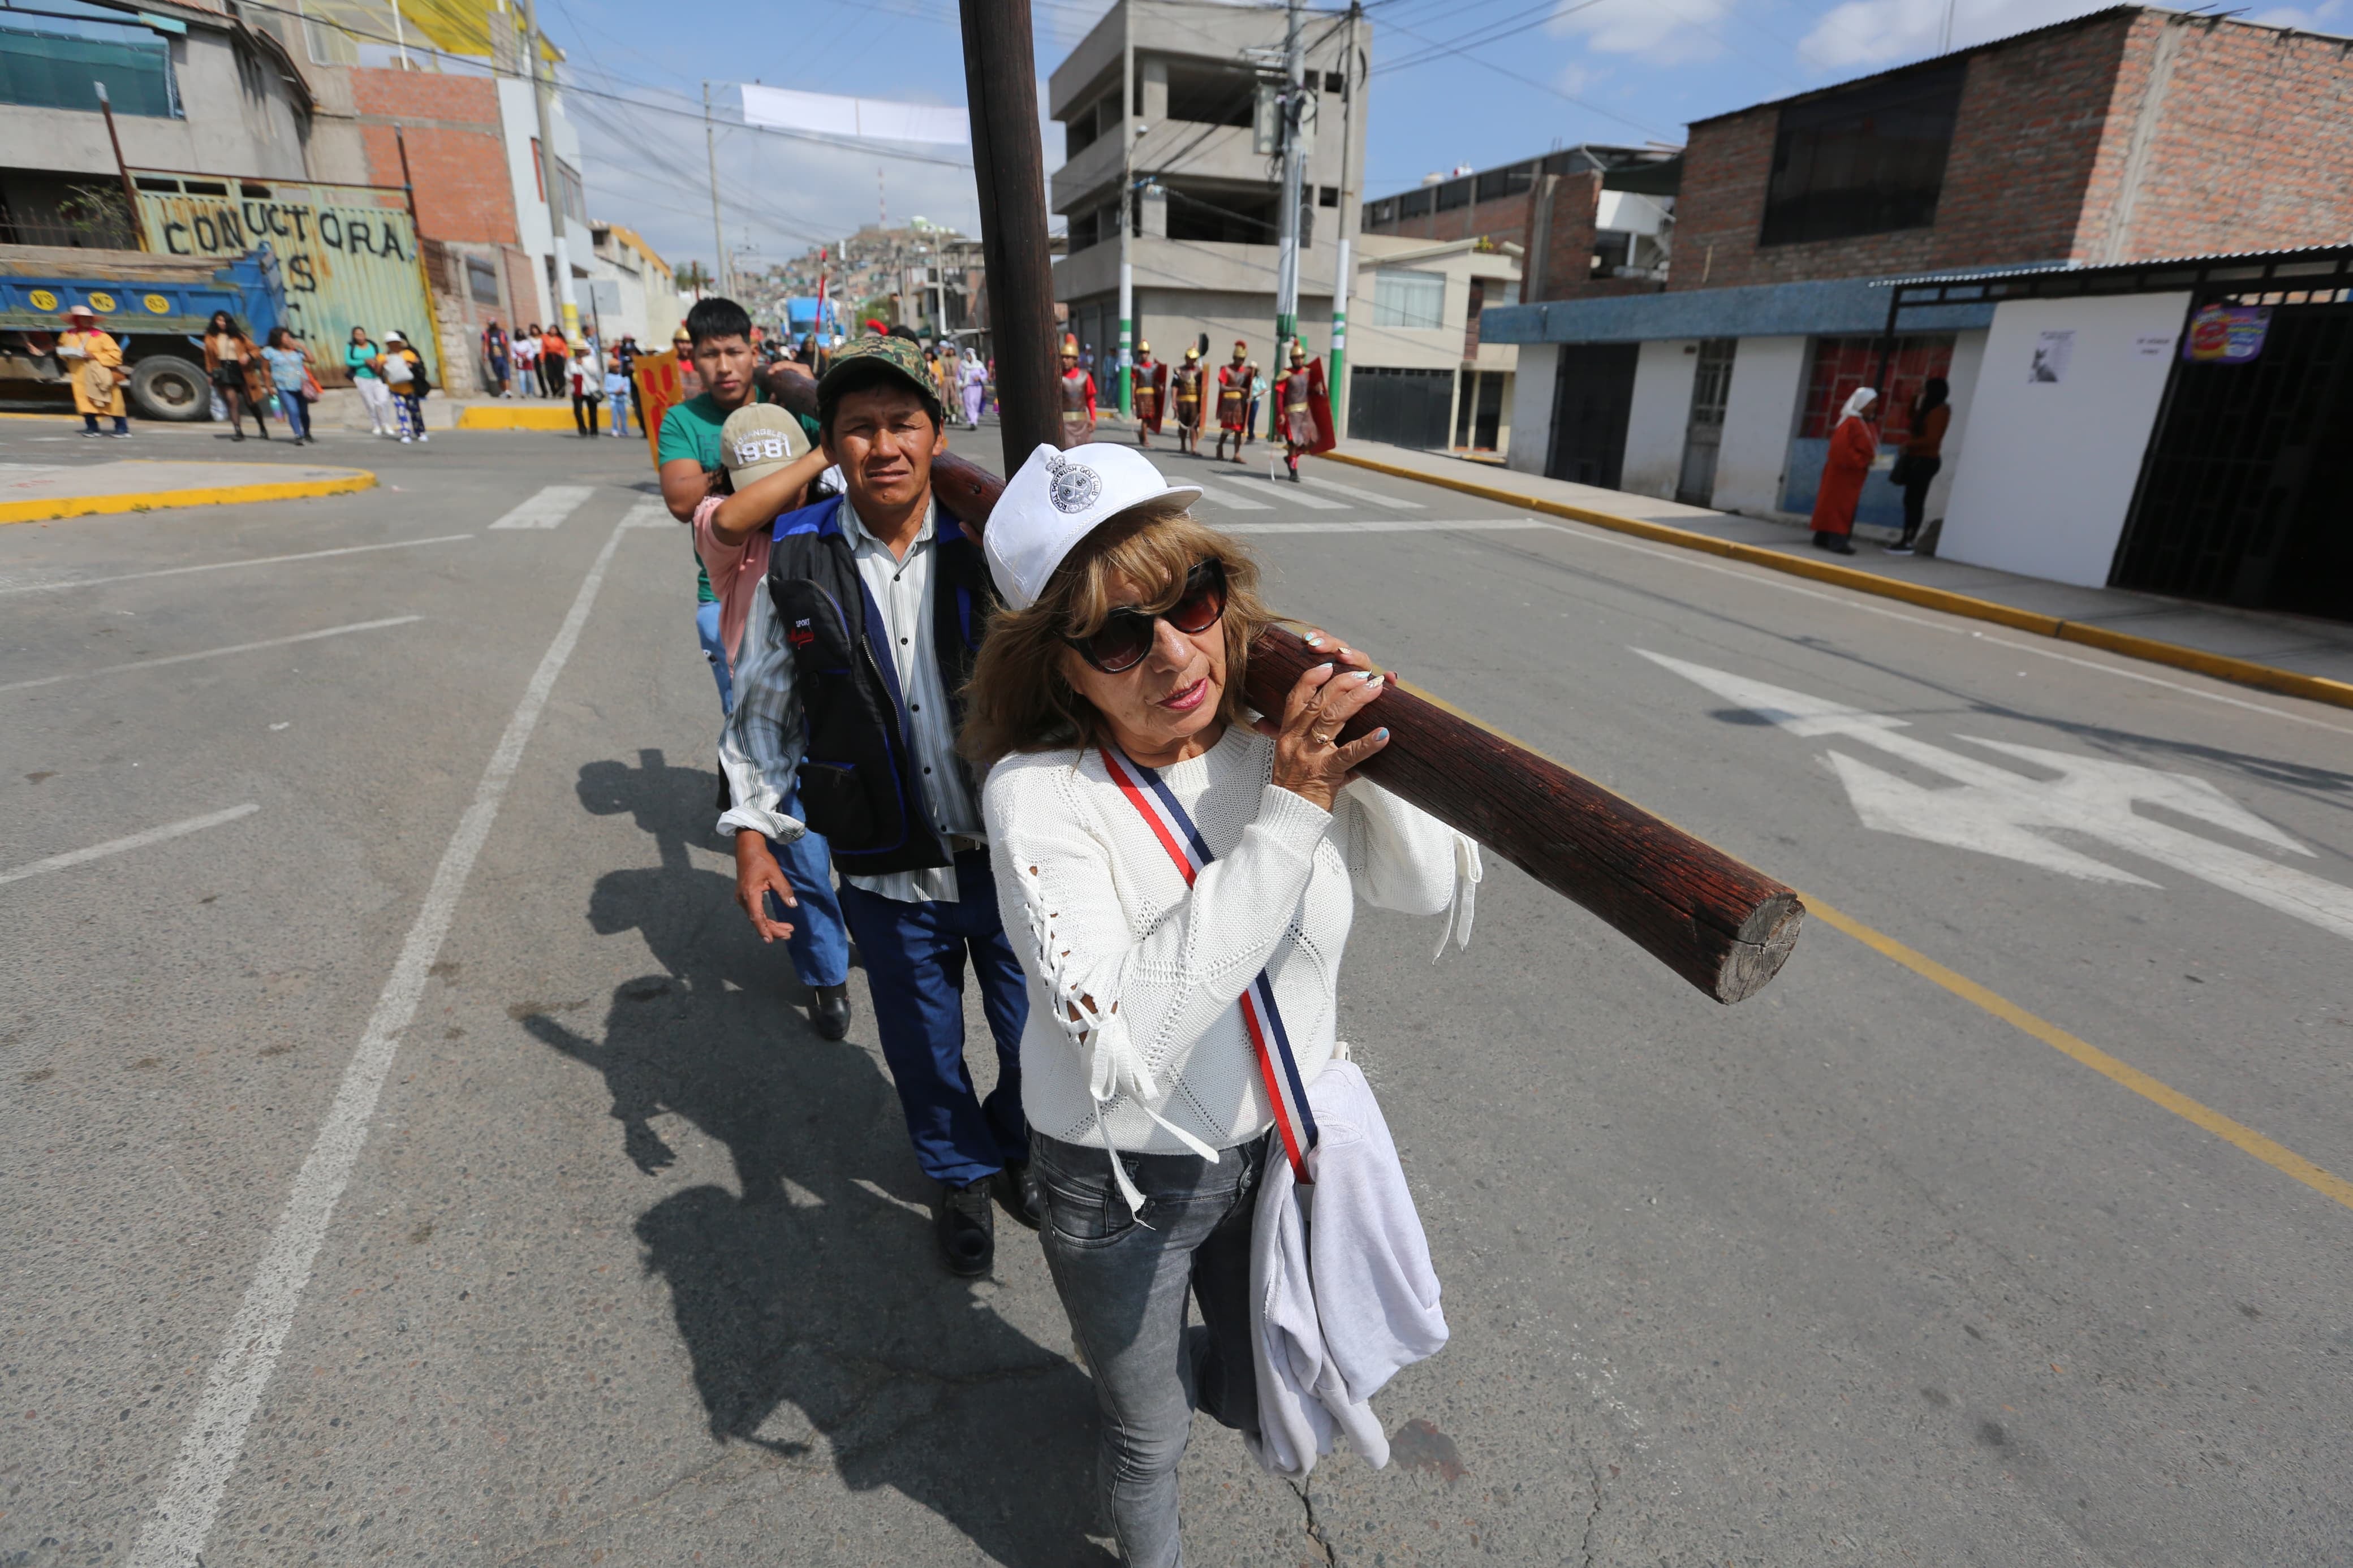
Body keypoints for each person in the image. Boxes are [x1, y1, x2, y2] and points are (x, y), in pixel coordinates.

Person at [964, 441, 1476, 1567]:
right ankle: (1134, 1418)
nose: (1171, 653)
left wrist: (1377, 739)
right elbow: (1131, 1041)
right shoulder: (1039, 796)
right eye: (1115, 635)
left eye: (1188, 599)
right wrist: (1291, 815)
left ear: (1223, 593)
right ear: (1061, 668)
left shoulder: (1270, 744)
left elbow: (1425, 888)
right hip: (1117, 1180)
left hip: (1266, 1153)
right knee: (1148, 1438)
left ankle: (1138, 1370)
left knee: (1257, 1387)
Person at [719, 334, 1033, 1277]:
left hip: (1013, 860)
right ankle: (960, 1172)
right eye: (860, 427)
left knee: (1039, 1034)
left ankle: (1020, 1144)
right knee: (923, 1045)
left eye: (903, 422)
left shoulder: (995, 541)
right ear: (832, 444)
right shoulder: (797, 557)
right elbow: (764, 705)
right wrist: (753, 833)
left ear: (937, 432)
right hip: (886, 870)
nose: (884, 446)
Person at [1810, 386, 1877, 555]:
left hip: (1852, 473)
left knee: (1836, 504)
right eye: (1871, 402)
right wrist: (1862, 461)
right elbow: (1840, 449)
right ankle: (1837, 540)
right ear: (1861, 403)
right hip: (1843, 473)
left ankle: (1823, 537)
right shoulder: (1851, 423)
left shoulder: (1863, 423)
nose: (1874, 406)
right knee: (1840, 506)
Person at [1888, 376, 1950, 556]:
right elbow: (1911, 417)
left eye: (1926, 389)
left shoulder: (1940, 412)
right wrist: (1915, 397)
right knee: (1910, 500)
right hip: (1916, 460)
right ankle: (1906, 538)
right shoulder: (1928, 409)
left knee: (1916, 501)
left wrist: (1909, 444)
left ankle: (1909, 540)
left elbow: (1932, 439)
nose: (1924, 392)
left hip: (1925, 461)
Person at [57, 305, 129, 438]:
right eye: (83, 318)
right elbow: (61, 350)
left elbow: (116, 355)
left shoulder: (102, 336)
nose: (88, 321)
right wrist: (66, 354)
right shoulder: (67, 335)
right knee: (85, 401)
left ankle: (122, 428)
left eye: (89, 318)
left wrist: (95, 356)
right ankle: (92, 428)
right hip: (79, 374)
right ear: (76, 320)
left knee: (113, 401)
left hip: (100, 374)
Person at [204, 311, 269, 441]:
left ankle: (263, 428)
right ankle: (238, 432)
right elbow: (208, 358)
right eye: (219, 320)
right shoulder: (210, 337)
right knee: (232, 401)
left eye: (224, 320)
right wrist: (210, 374)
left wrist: (248, 356)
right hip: (223, 370)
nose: (222, 323)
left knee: (250, 401)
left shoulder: (239, 336)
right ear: (215, 321)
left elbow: (256, 350)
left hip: (242, 370)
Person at [261, 327, 317, 446]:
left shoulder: (296, 352)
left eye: (289, 337)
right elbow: (265, 370)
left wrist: (302, 347)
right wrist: (268, 386)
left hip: (301, 386)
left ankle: (307, 433)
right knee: (293, 411)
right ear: (278, 338)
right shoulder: (269, 352)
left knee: (304, 412)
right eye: (286, 337)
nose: (289, 339)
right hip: (283, 386)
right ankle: (298, 435)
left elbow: (312, 360)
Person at [381, 330, 429, 443]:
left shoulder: (409, 354)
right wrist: (381, 366)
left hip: (410, 389)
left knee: (415, 411)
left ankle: (420, 432)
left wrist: (412, 365)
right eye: (390, 343)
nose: (393, 345)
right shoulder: (384, 357)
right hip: (395, 390)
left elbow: (419, 368)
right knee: (401, 410)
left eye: (395, 342)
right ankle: (405, 433)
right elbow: (380, 373)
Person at [1277, 343, 1315, 481]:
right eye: (1296, 358)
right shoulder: (1286, 375)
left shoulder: (1308, 373)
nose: (1299, 360)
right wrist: (1281, 413)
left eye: (1301, 358)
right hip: (1291, 414)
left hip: (1305, 414)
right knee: (1293, 443)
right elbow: (1280, 396)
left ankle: (1290, 458)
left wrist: (1318, 390)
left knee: (1309, 442)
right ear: (1292, 359)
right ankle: (1294, 472)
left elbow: (1311, 391)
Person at [347, 327, 395, 436]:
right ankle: (376, 425)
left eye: (361, 334)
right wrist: (364, 362)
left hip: (377, 377)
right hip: (362, 378)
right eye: (357, 334)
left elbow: (381, 356)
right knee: (370, 403)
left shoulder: (373, 345)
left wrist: (378, 362)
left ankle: (386, 424)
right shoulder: (351, 347)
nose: (360, 337)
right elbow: (349, 361)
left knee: (382, 401)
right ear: (354, 336)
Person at [1213, 339, 1249, 461]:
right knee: (1228, 429)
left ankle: (1237, 454)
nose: (1240, 361)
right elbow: (1223, 388)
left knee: (1238, 430)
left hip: (1240, 404)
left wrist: (1256, 372)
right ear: (1234, 358)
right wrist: (1238, 389)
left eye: (1242, 359)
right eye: (1239, 359)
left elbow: (1250, 382)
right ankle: (1220, 446)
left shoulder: (1246, 371)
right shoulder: (1226, 370)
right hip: (1229, 403)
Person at [1058, 333, 1097, 446]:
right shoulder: (1057, 377)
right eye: (1063, 357)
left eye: (1068, 357)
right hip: (1064, 425)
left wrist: (1093, 419)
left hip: (1082, 425)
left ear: (1075, 360)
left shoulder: (1085, 376)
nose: (1064, 360)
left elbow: (1090, 398)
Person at [1172, 344, 1204, 456]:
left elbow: (1202, 388)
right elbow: (1175, 386)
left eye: (1193, 359)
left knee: (1194, 425)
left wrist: (1202, 403)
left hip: (1194, 402)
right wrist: (1174, 402)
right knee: (1183, 425)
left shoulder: (1200, 372)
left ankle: (1193, 448)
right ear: (1186, 358)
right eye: (1189, 358)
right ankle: (1183, 446)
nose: (1191, 361)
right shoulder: (1179, 371)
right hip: (1183, 402)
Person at [568, 338, 604, 437]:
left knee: (592, 411)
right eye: (577, 350)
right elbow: (567, 373)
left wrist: (583, 364)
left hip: (591, 387)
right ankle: (582, 430)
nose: (579, 352)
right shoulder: (570, 360)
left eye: (581, 350)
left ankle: (594, 430)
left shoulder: (591, 359)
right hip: (577, 386)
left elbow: (594, 372)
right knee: (578, 411)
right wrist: (570, 378)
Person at [1130, 340, 1162, 448]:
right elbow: (1134, 383)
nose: (1143, 355)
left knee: (1151, 418)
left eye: (1145, 353)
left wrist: (1159, 388)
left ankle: (1141, 433)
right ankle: (1145, 440)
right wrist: (1133, 397)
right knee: (1145, 418)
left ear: (1148, 353)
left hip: (1151, 395)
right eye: (1141, 353)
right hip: (1141, 395)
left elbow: (1156, 381)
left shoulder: (1154, 367)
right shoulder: (1136, 367)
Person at [605, 349, 634, 438]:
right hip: (613, 399)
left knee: (624, 416)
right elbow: (607, 388)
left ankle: (624, 431)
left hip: (622, 399)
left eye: (618, 367)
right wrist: (615, 391)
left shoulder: (624, 376)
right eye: (615, 367)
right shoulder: (608, 376)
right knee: (615, 416)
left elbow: (627, 387)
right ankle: (615, 430)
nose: (618, 368)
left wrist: (623, 391)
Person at [957, 347, 986, 430]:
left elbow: (985, 374)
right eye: (967, 355)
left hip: (977, 387)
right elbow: (958, 376)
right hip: (967, 387)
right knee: (969, 404)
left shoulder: (979, 364)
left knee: (975, 404)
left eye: (969, 355)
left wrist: (980, 378)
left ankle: (974, 420)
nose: (968, 357)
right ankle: (972, 422)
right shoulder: (962, 365)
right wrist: (960, 384)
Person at [539, 322, 570, 399]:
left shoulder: (560, 339)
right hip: (549, 357)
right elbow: (543, 349)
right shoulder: (545, 338)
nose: (553, 331)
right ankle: (554, 391)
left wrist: (567, 357)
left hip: (558, 357)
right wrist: (542, 358)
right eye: (551, 329)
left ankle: (561, 392)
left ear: (557, 331)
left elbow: (565, 348)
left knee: (560, 375)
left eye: (554, 329)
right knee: (550, 375)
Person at [482, 321, 511, 398]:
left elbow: (507, 345)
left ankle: (508, 391)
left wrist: (509, 356)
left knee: (506, 374)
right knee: (499, 375)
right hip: (494, 358)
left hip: (503, 357)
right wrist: (485, 356)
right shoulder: (487, 333)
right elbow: (485, 345)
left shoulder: (501, 332)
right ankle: (503, 391)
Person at [512, 326, 540, 397]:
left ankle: (531, 392)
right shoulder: (514, 343)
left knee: (530, 377)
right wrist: (517, 357)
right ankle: (523, 392)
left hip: (527, 361)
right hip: (519, 360)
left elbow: (532, 352)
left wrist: (527, 357)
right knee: (522, 378)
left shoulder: (527, 342)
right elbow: (512, 352)